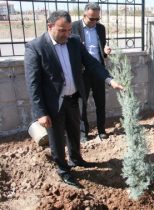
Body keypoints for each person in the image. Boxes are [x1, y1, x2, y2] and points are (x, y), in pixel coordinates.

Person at [24, 11, 123, 188]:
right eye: (63, 30)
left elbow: (92, 63)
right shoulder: (36, 47)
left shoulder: (75, 42)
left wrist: (109, 79)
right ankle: (63, 171)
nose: (67, 34)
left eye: (69, 30)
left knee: (74, 132)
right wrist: (41, 112)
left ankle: (76, 159)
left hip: (73, 99)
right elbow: (33, 84)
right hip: (53, 105)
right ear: (50, 27)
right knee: (57, 140)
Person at [71, 3, 111, 142]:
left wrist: (105, 52)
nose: (94, 22)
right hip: (82, 72)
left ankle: (101, 130)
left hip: (98, 70)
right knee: (82, 104)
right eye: (91, 19)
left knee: (101, 102)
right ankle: (83, 133)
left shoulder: (100, 28)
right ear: (84, 15)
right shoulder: (74, 27)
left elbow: (101, 50)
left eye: (97, 19)